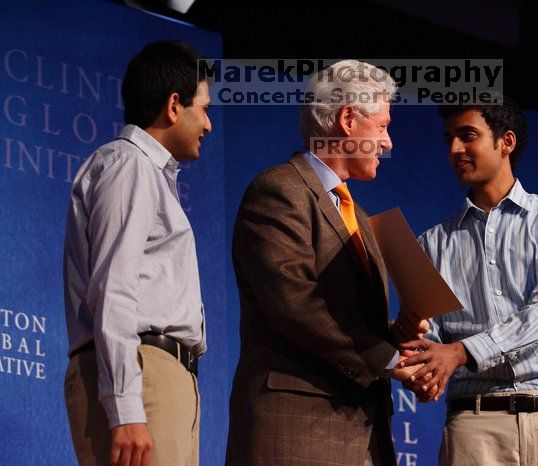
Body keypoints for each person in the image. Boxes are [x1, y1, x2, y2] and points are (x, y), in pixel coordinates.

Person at [226, 60, 425, 466]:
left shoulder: (362, 220)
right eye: (383, 126)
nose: (388, 144)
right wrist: (387, 359)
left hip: (363, 434)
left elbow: (349, 321)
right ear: (349, 120)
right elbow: (295, 303)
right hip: (298, 432)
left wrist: (397, 336)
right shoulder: (280, 189)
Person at [399, 96, 538, 465]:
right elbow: (429, 339)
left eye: (468, 136)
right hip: (475, 426)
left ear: (505, 142)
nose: (455, 149)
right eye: (449, 140)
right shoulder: (430, 243)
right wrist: (423, 373)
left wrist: (460, 353)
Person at [63, 41, 212, 466]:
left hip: (162, 379)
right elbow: (115, 287)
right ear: (172, 105)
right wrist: (126, 407)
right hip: (143, 377)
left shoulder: (145, 173)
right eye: (203, 108)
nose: (208, 123)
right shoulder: (129, 165)